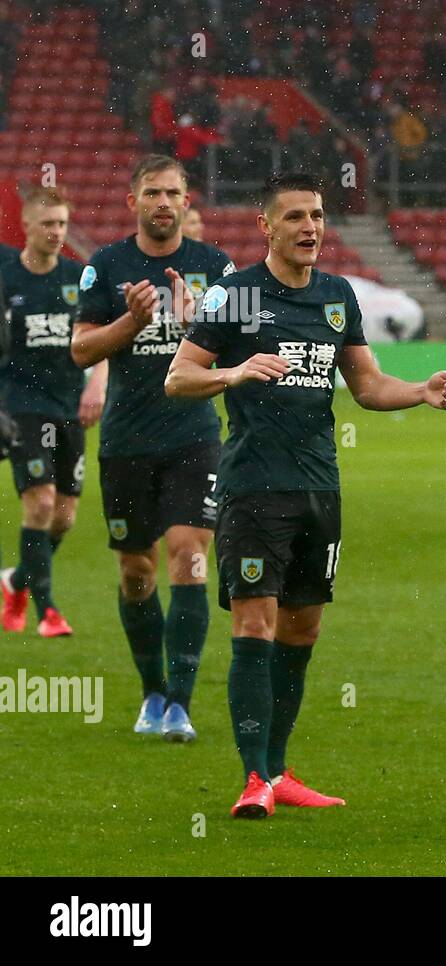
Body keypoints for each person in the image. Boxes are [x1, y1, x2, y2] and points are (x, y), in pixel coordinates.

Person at [165, 173, 446, 819]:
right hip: (252, 488)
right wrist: (234, 372)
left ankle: (277, 769)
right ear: (266, 227)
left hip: (319, 488)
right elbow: (178, 377)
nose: (310, 227)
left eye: (319, 216)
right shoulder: (235, 297)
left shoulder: (337, 298)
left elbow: (366, 385)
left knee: (303, 627)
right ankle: (252, 779)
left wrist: (419, 390)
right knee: (253, 621)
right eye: (296, 216)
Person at [71, 155, 236, 742]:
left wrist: (199, 324)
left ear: (188, 202)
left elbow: (243, 352)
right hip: (126, 442)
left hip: (193, 437)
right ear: (133, 201)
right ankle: (151, 692)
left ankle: (181, 704)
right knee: (137, 572)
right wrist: (131, 323)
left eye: (173, 193)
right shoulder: (106, 266)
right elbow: (82, 351)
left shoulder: (217, 268)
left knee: (189, 555)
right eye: (152, 193)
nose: (163, 203)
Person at [0, 188, 108, 636]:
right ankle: (48, 611)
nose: (57, 232)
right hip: (22, 404)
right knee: (40, 501)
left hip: (69, 403)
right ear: (27, 225)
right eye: (48, 224)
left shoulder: (78, 277)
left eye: (63, 224)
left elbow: (99, 338)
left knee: (63, 516)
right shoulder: (7, 274)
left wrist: (97, 383)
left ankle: (15, 582)